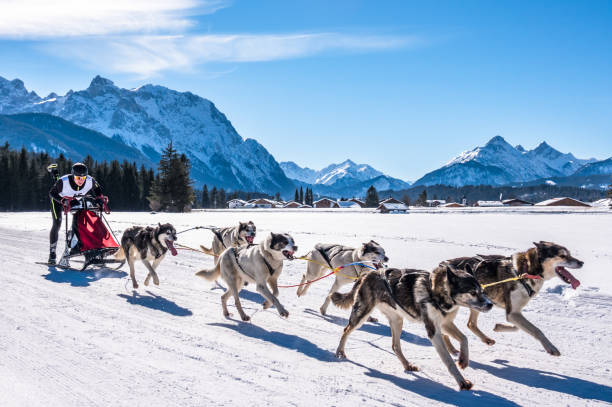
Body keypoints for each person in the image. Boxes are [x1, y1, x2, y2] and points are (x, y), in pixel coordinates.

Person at [47, 162, 107, 264]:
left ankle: (74, 238)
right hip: (59, 199)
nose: (80, 181)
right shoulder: (64, 181)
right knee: (57, 222)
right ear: (73, 176)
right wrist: (63, 201)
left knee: (81, 217)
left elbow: (97, 189)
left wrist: (99, 198)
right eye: (78, 178)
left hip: (74, 199)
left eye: (83, 178)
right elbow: (52, 193)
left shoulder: (89, 180)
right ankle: (52, 253)